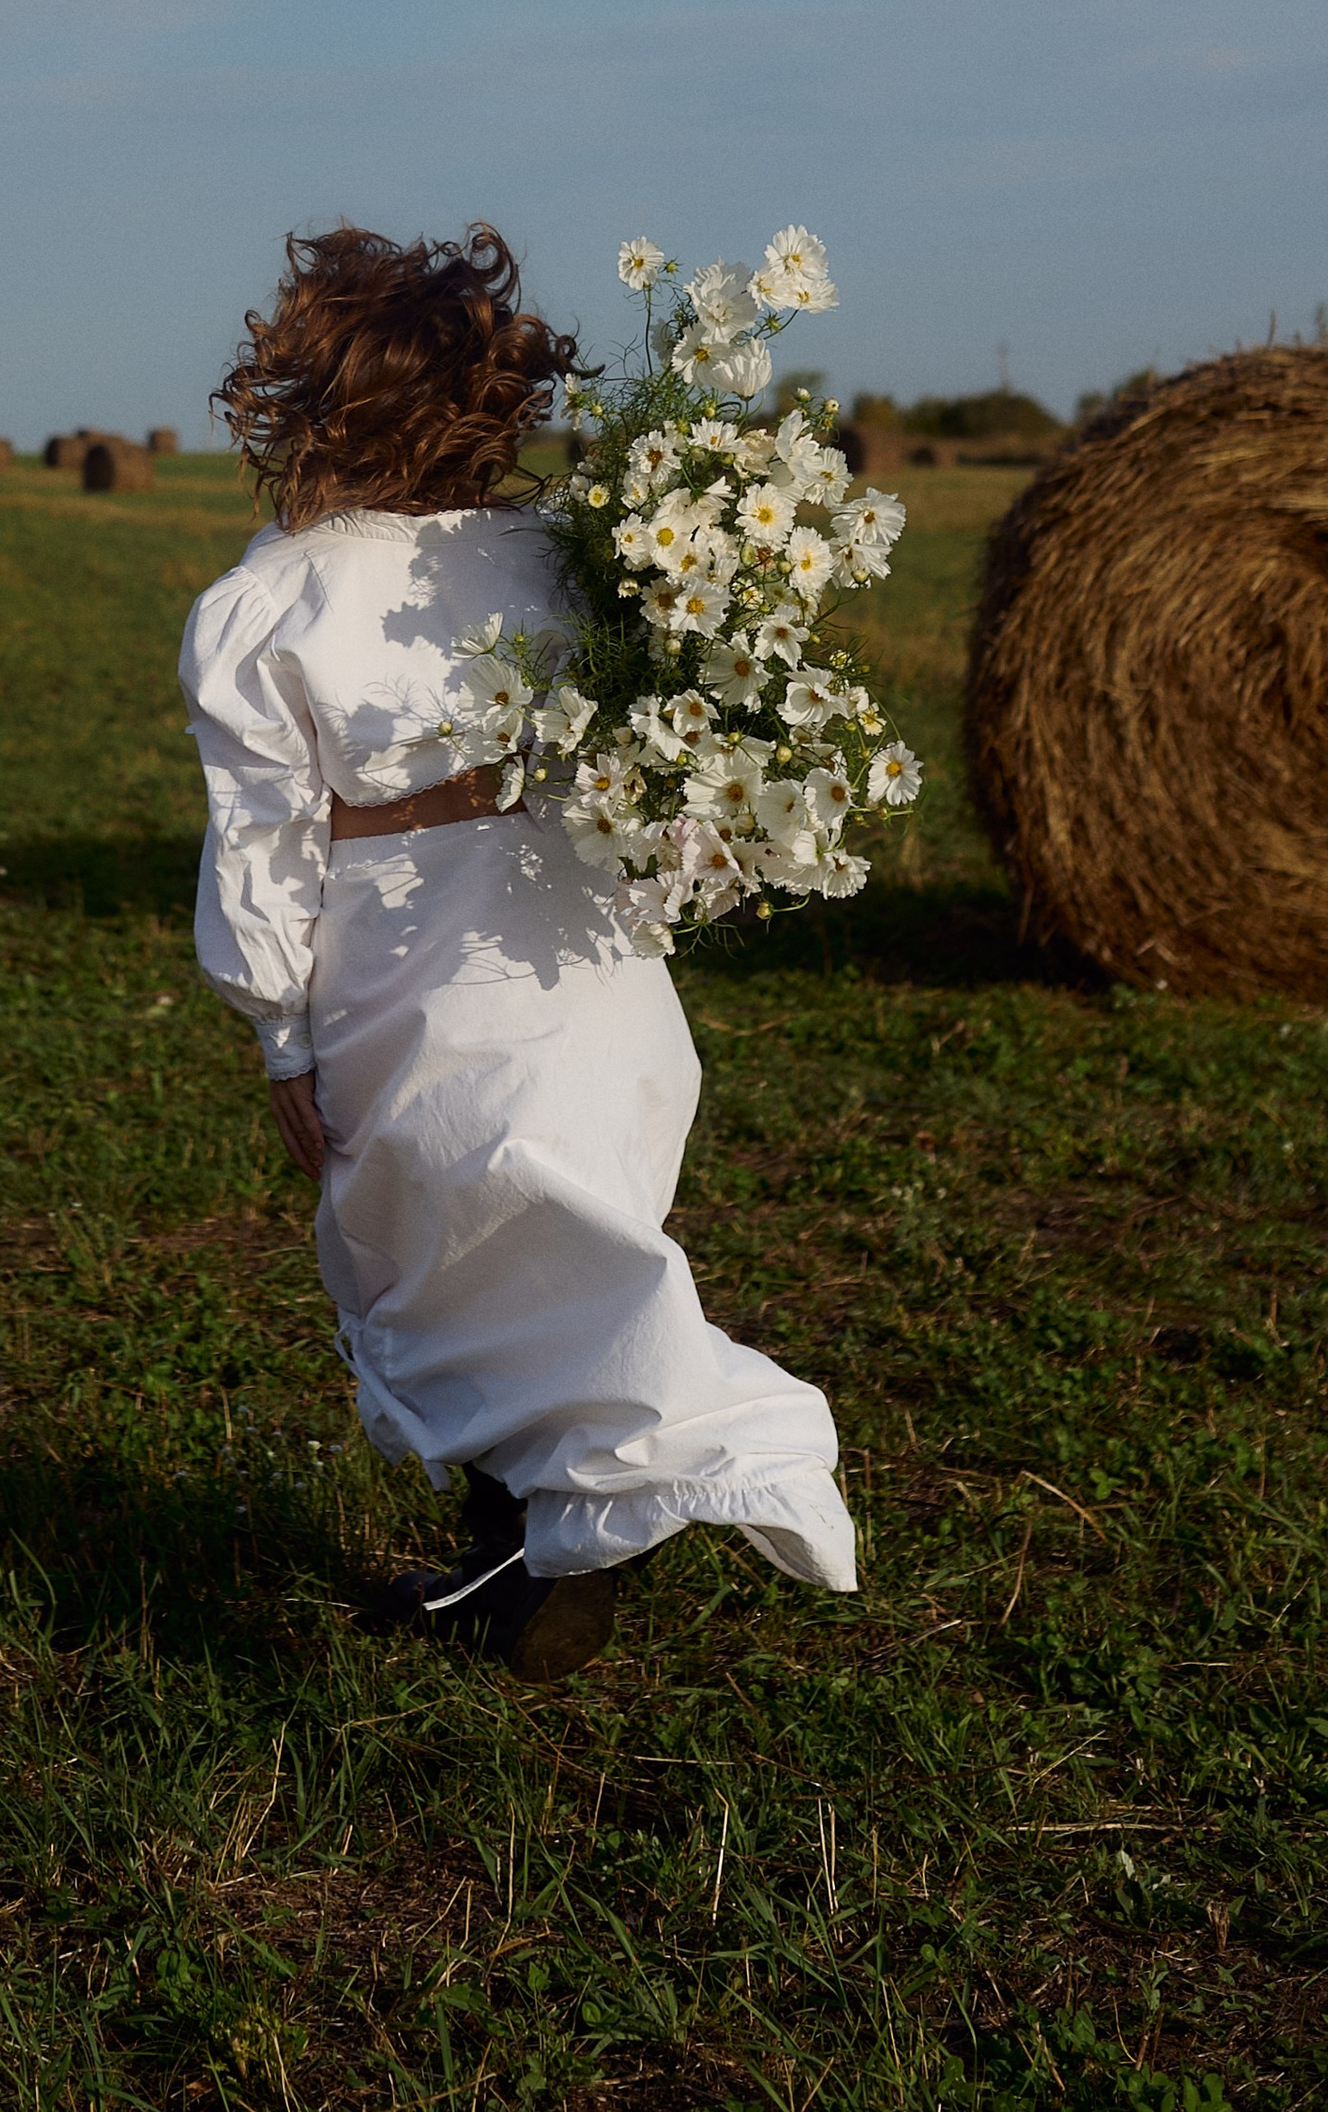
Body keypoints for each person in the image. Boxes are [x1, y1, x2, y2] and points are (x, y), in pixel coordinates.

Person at [179, 221, 858, 1685]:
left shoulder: (266, 600)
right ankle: (536, 1548)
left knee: (442, 1262)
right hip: (582, 943)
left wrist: (277, 1031)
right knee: (568, 1231)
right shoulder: (566, 555)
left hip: (404, 957)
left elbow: (267, 846)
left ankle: (617, 1481)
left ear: (301, 399)